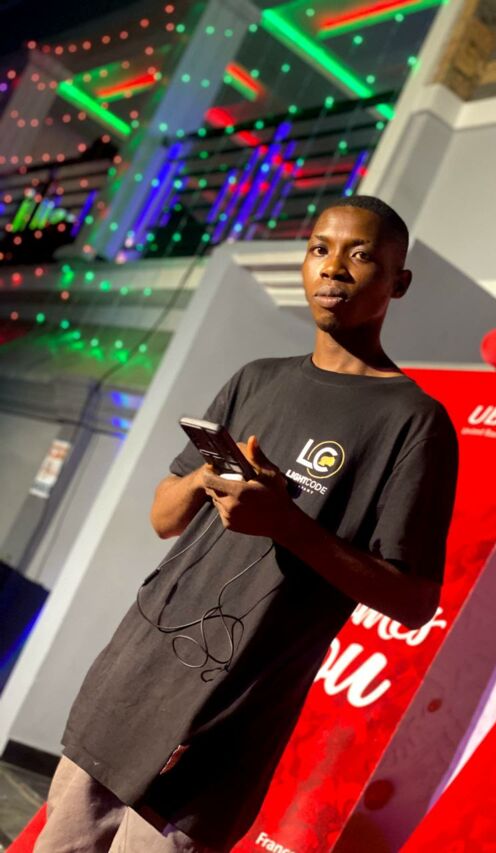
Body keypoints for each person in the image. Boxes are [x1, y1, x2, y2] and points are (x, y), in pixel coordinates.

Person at [34, 196, 459, 853]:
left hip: (229, 723)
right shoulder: (255, 379)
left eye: (360, 254)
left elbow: (414, 599)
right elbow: (163, 518)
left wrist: (284, 521)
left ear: (397, 282)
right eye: (319, 249)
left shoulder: (414, 421)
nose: (333, 268)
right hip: (131, 686)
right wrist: (208, 478)